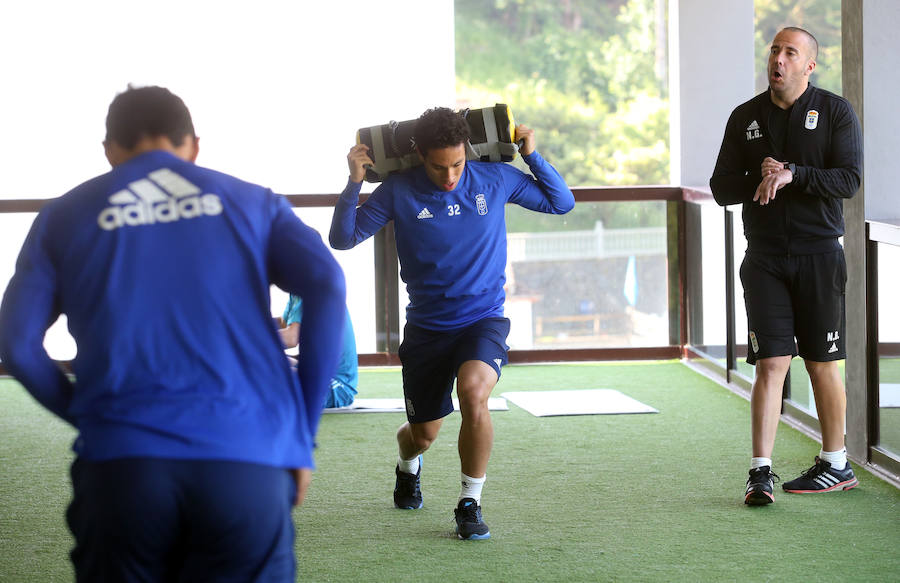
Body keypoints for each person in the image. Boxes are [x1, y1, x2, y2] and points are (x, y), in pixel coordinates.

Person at [0, 85, 347, 580]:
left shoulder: (63, 217)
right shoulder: (254, 202)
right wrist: (300, 432)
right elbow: (328, 285)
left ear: (109, 152)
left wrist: (87, 413)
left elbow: (15, 344)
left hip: (123, 468)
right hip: (246, 459)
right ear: (193, 145)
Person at [330, 106, 574, 539]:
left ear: (468, 153)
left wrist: (532, 156)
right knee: (422, 435)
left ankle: (469, 502)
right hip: (426, 329)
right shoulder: (398, 190)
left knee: (474, 393)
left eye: (458, 164)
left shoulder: (494, 179)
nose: (449, 176)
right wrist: (353, 182)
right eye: (438, 166)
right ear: (420, 155)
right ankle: (408, 466)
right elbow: (343, 238)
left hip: (483, 319)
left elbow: (561, 202)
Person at [709, 27, 863, 505]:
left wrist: (794, 174)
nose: (777, 58)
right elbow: (719, 189)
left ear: (808, 65)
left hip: (820, 254)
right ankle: (760, 472)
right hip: (765, 260)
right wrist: (760, 174)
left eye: (789, 52)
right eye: (774, 50)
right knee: (771, 362)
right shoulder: (745, 117)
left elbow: (850, 179)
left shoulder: (835, 111)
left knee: (822, 363)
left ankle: (835, 463)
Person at [278, 294, 358, 408]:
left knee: (264, 372)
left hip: (335, 385)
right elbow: (283, 325)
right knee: (268, 362)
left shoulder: (305, 286)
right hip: (314, 372)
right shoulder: (296, 291)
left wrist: (248, 340)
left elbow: (291, 338)